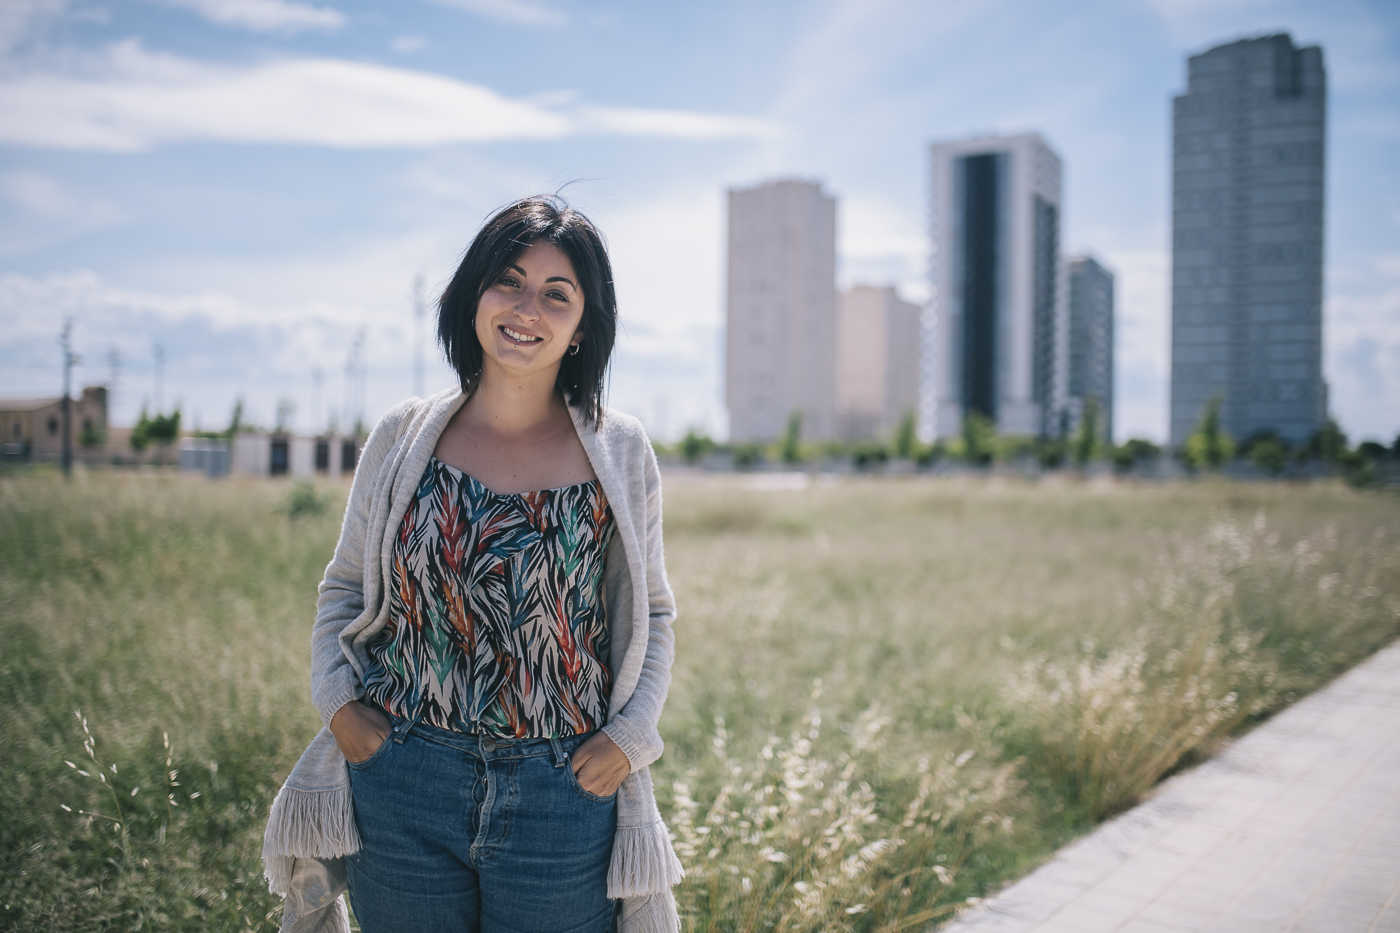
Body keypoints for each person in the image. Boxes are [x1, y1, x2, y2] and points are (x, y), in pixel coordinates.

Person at [262, 195, 684, 933]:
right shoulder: (403, 436)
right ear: (473, 295)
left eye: (558, 294)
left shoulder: (619, 451)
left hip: (562, 788)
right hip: (403, 777)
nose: (528, 308)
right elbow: (345, 589)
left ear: (584, 325)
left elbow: (650, 611)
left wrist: (629, 738)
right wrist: (337, 704)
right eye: (509, 281)